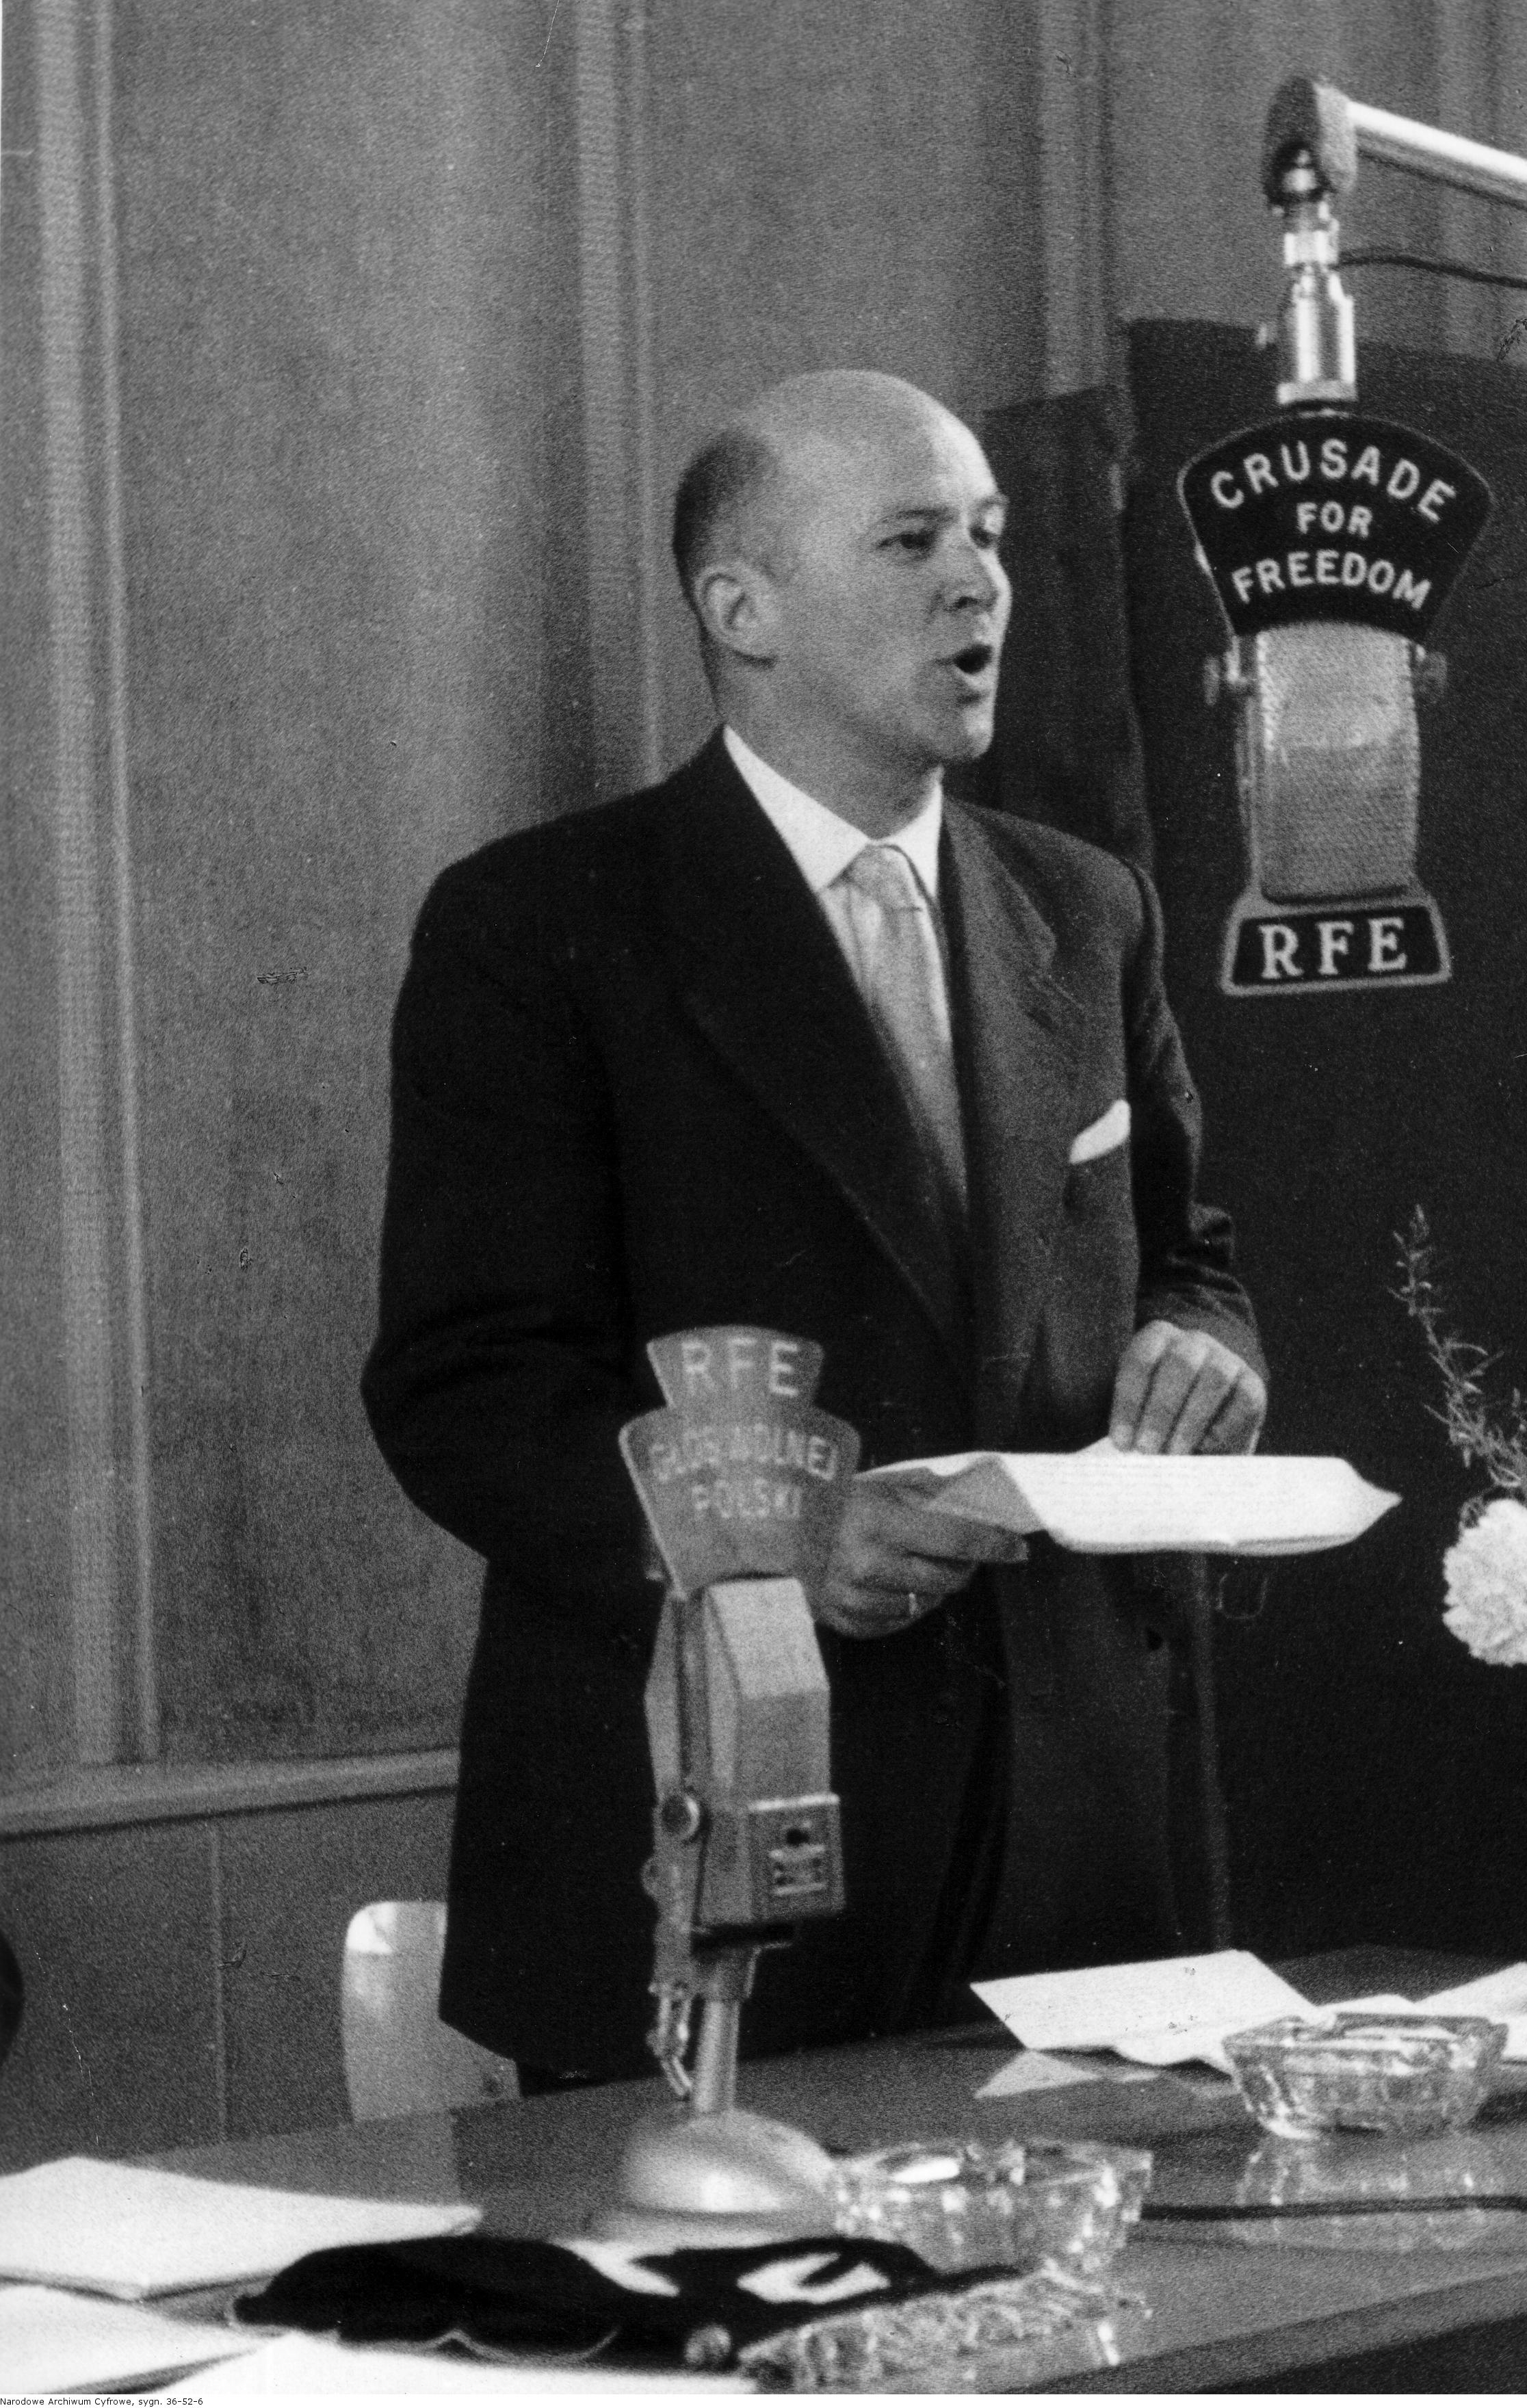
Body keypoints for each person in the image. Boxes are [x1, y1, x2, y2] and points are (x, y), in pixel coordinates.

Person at [362, 369, 1266, 2082]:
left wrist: (1205, 1345)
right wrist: (765, 1534)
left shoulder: (1088, 909)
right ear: (743, 609)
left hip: (1076, 1853)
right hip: (724, 1827)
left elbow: (1188, 1256)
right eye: (913, 541)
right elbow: (465, 1390)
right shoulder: (539, 923)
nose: (980, 582)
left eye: (990, 536)